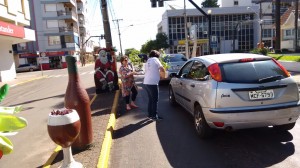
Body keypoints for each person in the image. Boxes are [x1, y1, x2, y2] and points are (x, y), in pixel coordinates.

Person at [143, 50, 166, 121]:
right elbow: (162, 69)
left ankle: (150, 115)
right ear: (157, 55)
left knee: (151, 99)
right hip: (152, 83)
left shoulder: (148, 61)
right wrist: (163, 76)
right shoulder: (156, 59)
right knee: (155, 100)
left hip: (146, 82)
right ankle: (154, 116)